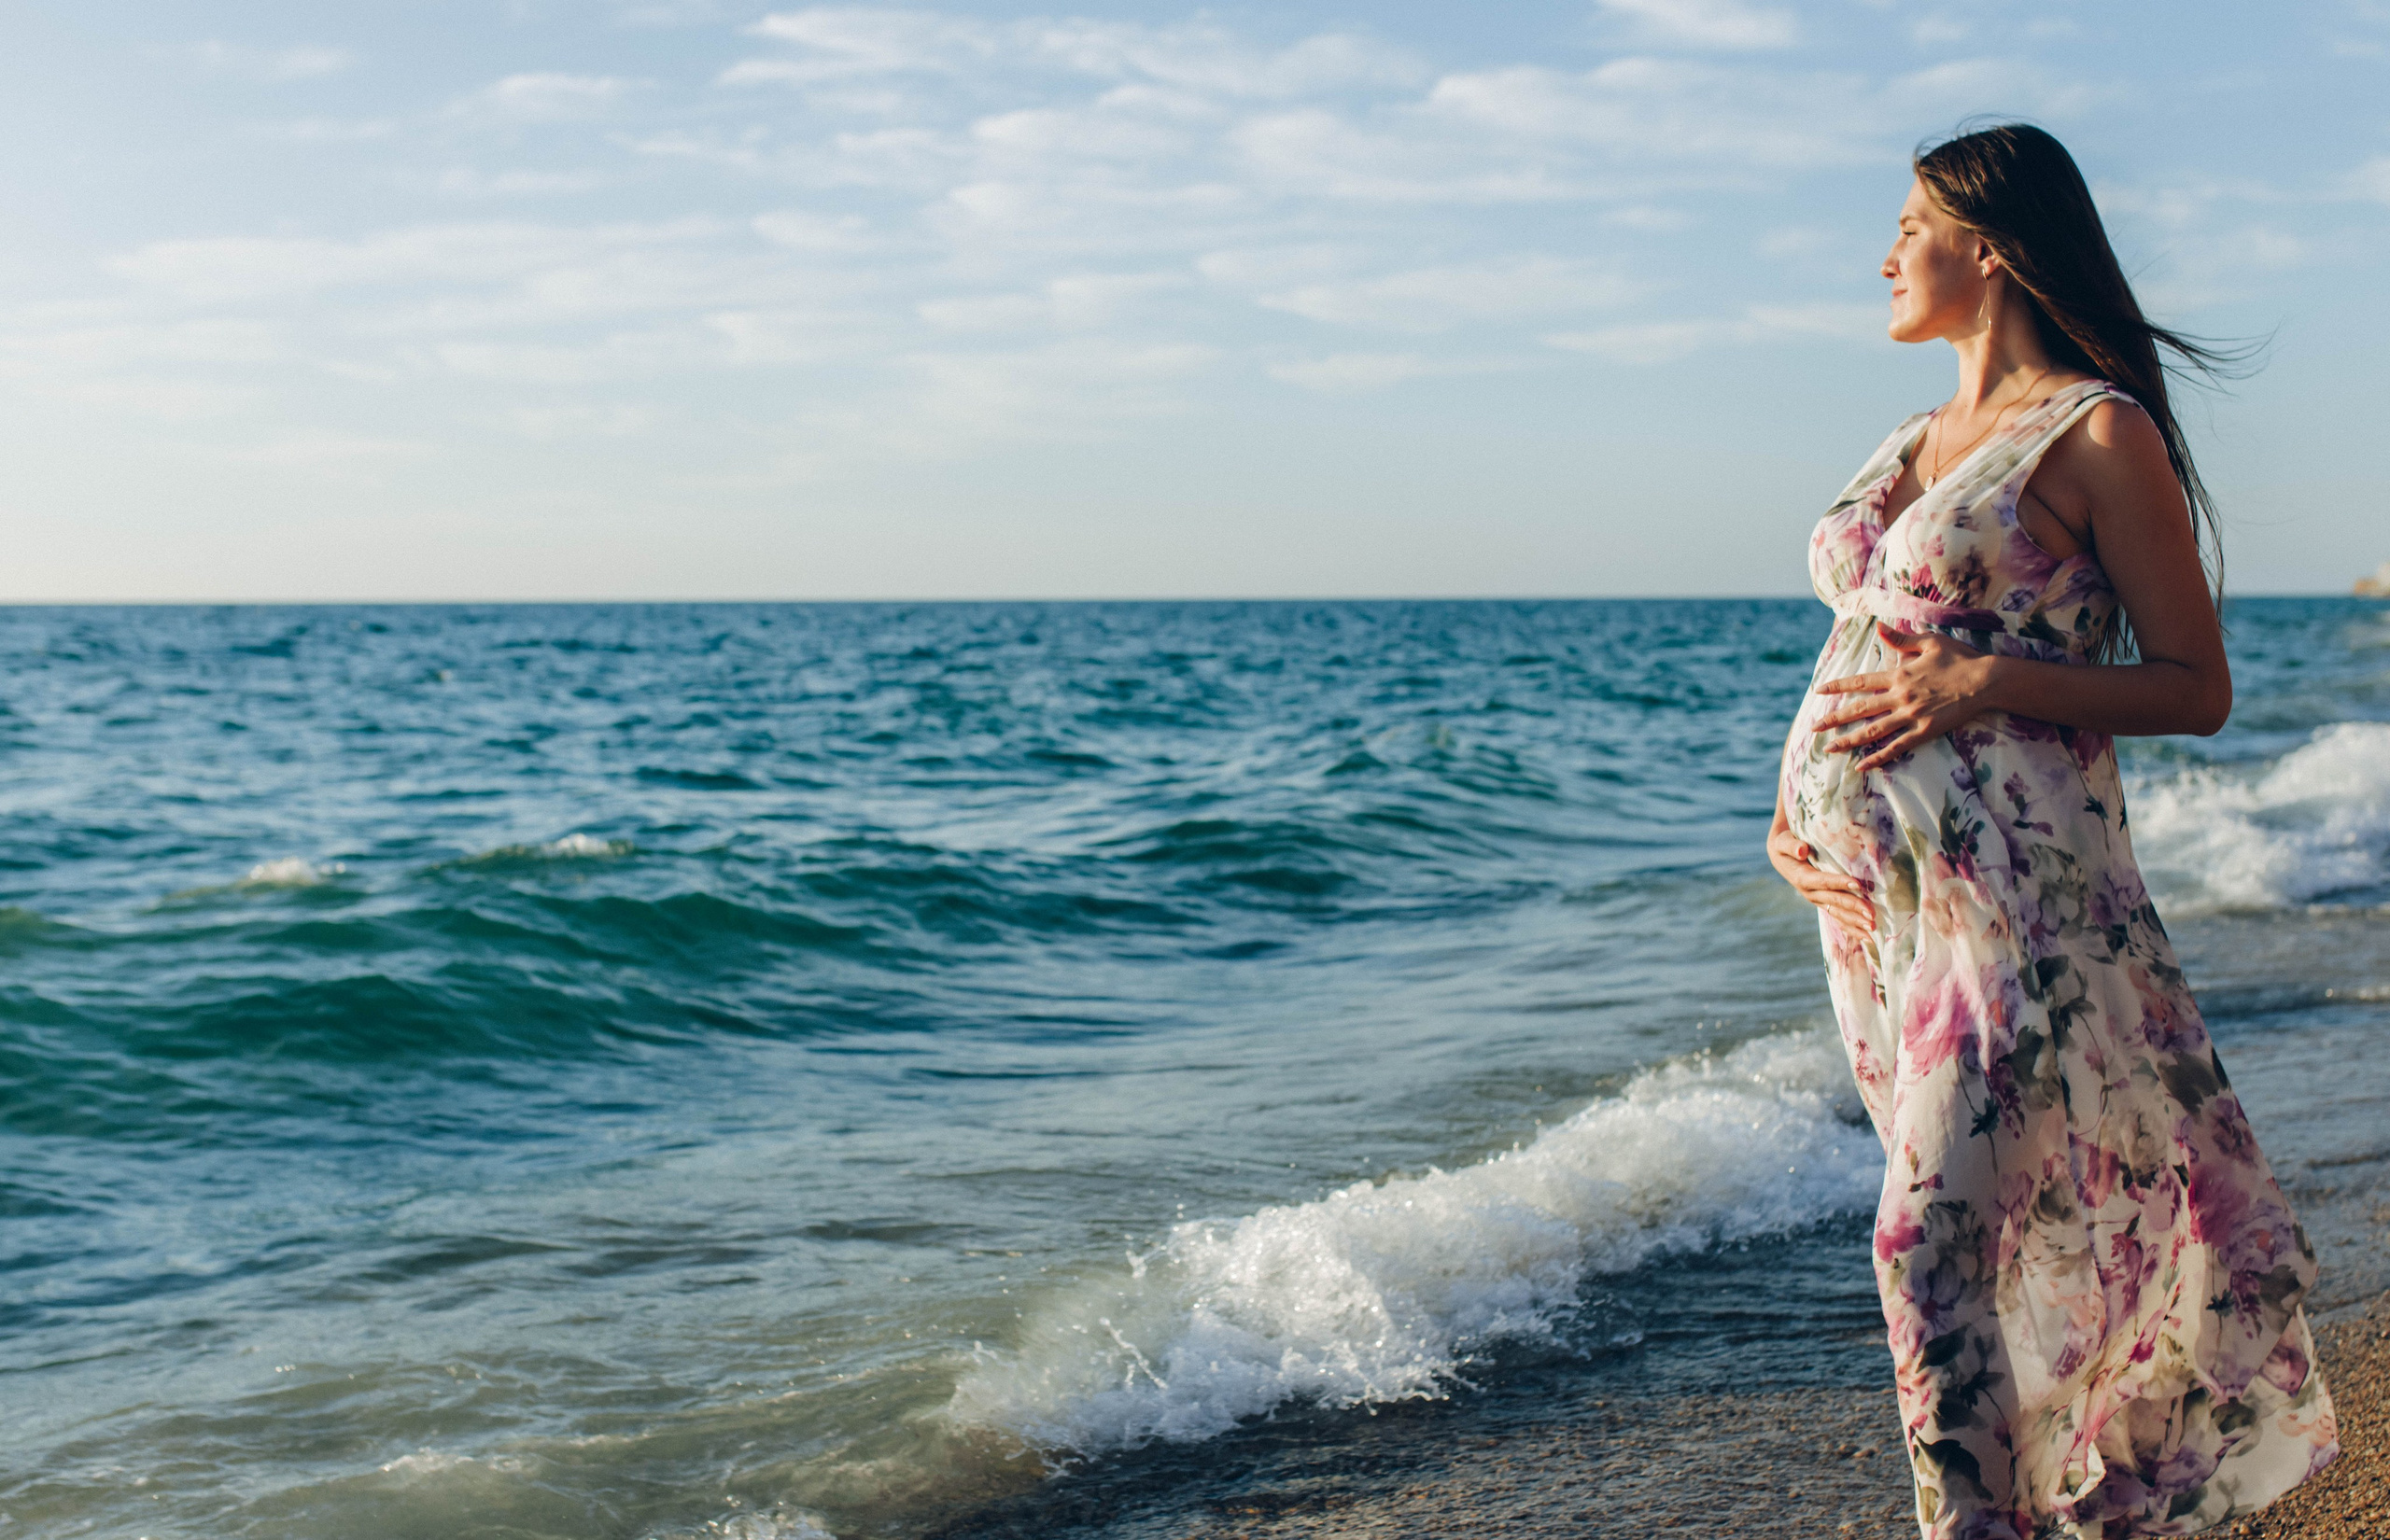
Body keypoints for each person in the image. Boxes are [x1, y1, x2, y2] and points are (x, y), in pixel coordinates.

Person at [1765, 123, 2339, 1538]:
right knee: (1981, 1249)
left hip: (2024, 918)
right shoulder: (1907, 441)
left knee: (1922, 1245)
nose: (1887, 251)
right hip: (1890, 921)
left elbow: (2196, 686)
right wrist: (1791, 823)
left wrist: (1987, 680)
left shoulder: (2094, 431)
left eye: (1912, 223)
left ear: (1994, 245)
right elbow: (1863, 641)